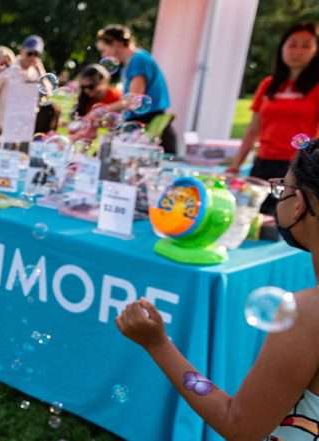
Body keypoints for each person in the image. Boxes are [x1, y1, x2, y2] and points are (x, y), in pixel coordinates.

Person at [117, 138, 319, 441]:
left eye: (282, 191)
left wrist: (157, 343)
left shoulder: (307, 314)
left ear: (299, 204)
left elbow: (238, 424)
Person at [228, 23, 319, 214]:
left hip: (298, 168)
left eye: (306, 46)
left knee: (284, 223)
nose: (298, 51)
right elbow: (253, 130)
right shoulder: (268, 85)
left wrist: (302, 165)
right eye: (292, 44)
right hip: (262, 164)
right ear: (282, 48)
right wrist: (235, 165)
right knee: (251, 218)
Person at [95, 24, 176, 154]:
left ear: (116, 44)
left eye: (103, 50)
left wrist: (102, 110)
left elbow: (133, 100)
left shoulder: (138, 60)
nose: (103, 56)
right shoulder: (131, 63)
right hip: (144, 127)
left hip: (149, 127)